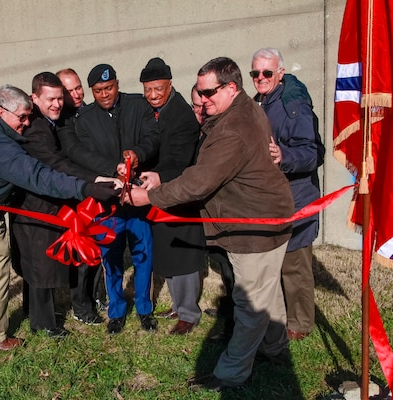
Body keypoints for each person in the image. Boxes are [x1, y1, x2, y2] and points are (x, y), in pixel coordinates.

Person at [126, 57, 295, 390]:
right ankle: (275, 350)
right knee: (267, 292)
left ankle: (230, 374)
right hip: (261, 218)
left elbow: (198, 182)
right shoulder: (241, 109)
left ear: (231, 87)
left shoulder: (233, 129)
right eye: (199, 92)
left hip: (255, 227)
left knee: (250, 304)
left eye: (208, 93)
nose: (201, 100)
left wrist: (150, 197)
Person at [0, 84, 119, 351]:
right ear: (1, 111)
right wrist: (85, 188)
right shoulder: (1, 148)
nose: (27, 123)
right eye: (22, 117)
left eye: (29, 116)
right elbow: (40, 177)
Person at [60, 64, 160, 334]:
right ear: (92, 92)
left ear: (117, 84)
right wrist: (110, 168)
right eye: (98, 90)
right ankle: (116, 310)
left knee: (143, 255)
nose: (105, 94)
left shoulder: (138, 106)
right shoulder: (86, 119)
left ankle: (144, 309)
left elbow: (153, 137)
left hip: (137, 197)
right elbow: (81, 154)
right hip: (108, 201)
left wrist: (138, 152)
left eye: (109, 88)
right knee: (111, 257)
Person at [11, 73, 113, 338]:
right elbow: (56, 163)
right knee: (40, 265)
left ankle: (34, 312)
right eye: (51, 99)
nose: (57, 104)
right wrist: (95, 180)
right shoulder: (35, 128)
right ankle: (44, 324)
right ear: (34, 98)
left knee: (40, 261)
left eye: (60, 98)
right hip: (36, 205)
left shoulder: (50, 122)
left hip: (48, 203)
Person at [251, 48, 325, 340]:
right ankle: (279, 314)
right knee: (274, 261)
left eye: (267, 72)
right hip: (270, 197)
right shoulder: (260, 102)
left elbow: (312, 153)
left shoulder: (293, 105)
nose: (260, 78)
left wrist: (283, 155)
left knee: (295, 263)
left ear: (280, 73)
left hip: (296, 196)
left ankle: (301, 322)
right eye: (255, 73)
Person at [137, 58, 206, 335]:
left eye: (159, 89)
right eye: (148, 90)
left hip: (180, 194)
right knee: (168, 250)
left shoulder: (180, 115)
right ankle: (178, 305)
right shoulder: (152, 111)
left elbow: (181, 160)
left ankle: (190, 313)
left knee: (184, 255)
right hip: (161, 194)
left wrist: (158, 176)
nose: (153, 95)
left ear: (170, 85)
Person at [56, 68, 108, 315]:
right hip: (79, 192)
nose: (76, 94)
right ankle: (81, 305)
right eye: (68, 90)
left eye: (78, 87)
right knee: (81, 252)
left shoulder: (90, 110)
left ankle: (96, 294)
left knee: (98, 247)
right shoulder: (62, 121)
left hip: (99, 189)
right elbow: (73, 154)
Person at [191, 84, 235, 340]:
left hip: (225, 212)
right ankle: (229, 310)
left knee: (232, 270)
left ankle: (234, 324)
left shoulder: (222, 131)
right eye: (196, 107)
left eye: (204, 107)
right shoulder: (198, 130)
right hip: (209, 215)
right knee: (222, 263)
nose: (201, 112)